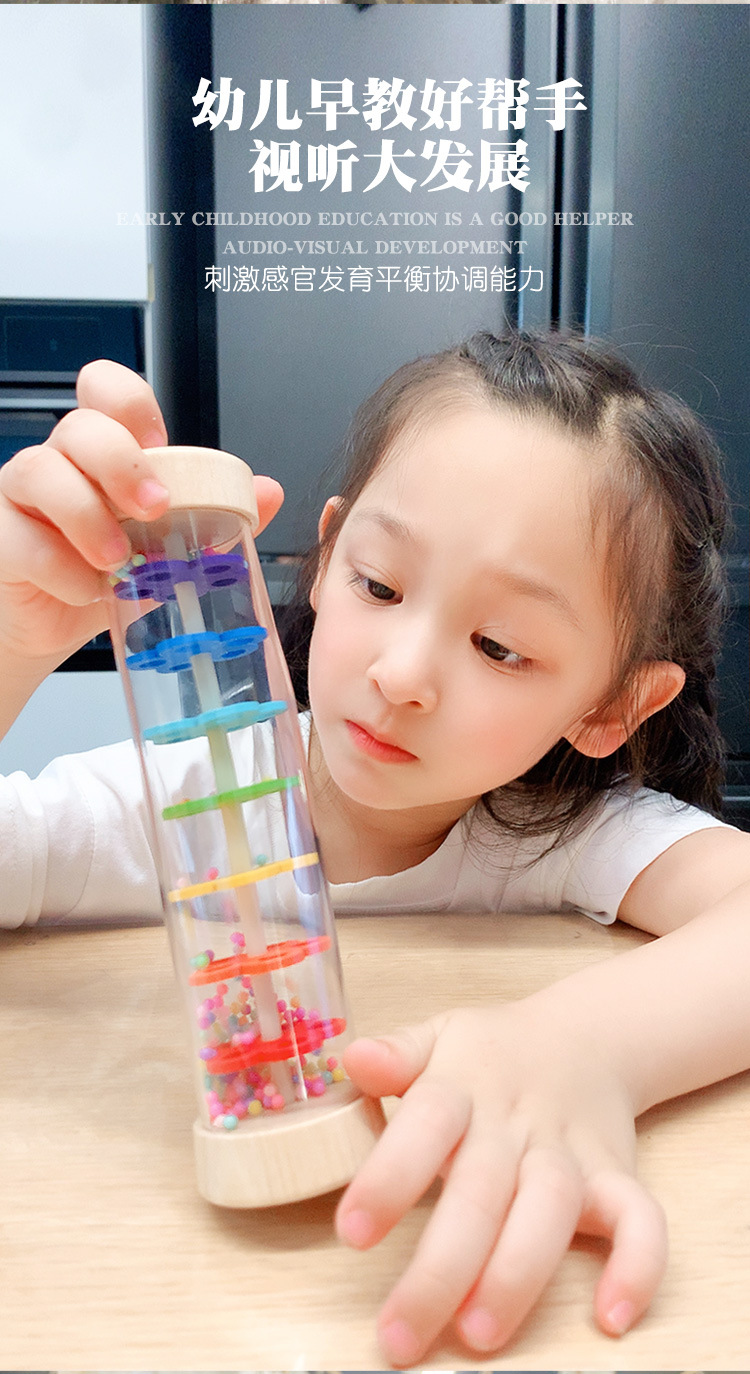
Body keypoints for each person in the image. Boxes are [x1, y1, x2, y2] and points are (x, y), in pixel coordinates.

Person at [1, 332, 750, 1368]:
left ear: (610, 706)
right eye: (382, 587)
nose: (403, 673)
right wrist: (9, 644)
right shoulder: (169, 795)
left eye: (500, 647)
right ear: (326, 557)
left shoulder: (560, 836)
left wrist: (588, 1047)